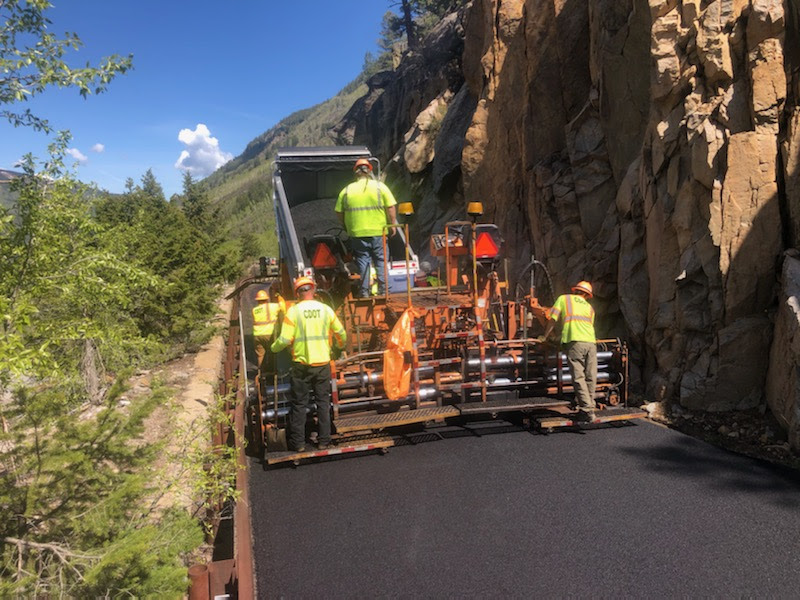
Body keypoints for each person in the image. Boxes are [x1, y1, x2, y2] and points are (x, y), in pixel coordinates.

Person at [270, 277, 347, 452]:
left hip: (301, 365)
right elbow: (341, 333)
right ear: (313, 290)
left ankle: (298, 444)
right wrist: (339, 347)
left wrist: (273, 349)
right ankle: (323, 441)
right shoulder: (326, 310)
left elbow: (284, 340)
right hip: (322, 364)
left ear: (297, 293)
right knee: (323, 403)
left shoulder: (293, 312)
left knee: (299, 404)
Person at [335, 158, 399, 297]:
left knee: (363, 262)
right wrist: (393, 224)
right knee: (381, 261)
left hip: (357, 233)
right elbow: (391, 207)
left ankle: (364, 292)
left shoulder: (346, 191)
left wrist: (346, 225)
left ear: (355, 173)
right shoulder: (380, 187)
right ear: (369, 171)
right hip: (378, 232)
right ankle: (384, 291)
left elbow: (339, 212)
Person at [542, 280, 598, 422]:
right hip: (591, 343)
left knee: (578, 377)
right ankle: (589, 406)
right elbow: (585, 325)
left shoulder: (564, 299)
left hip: (575, 342)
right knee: (590, 376)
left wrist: (545, 336)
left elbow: (552, 319)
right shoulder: (590, 308)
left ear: (575, 291)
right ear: (587, 295)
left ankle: (587, 409)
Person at [252, 285, 284, 374]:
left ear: (258, 301)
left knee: (260, 355)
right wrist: (279, 296)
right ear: (267, 299)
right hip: (269, 334)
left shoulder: (254, 310)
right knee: (272, 351)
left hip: (257, 335)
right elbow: (282, 306)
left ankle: (261, 372)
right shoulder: (272, 306)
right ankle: (273, 371)